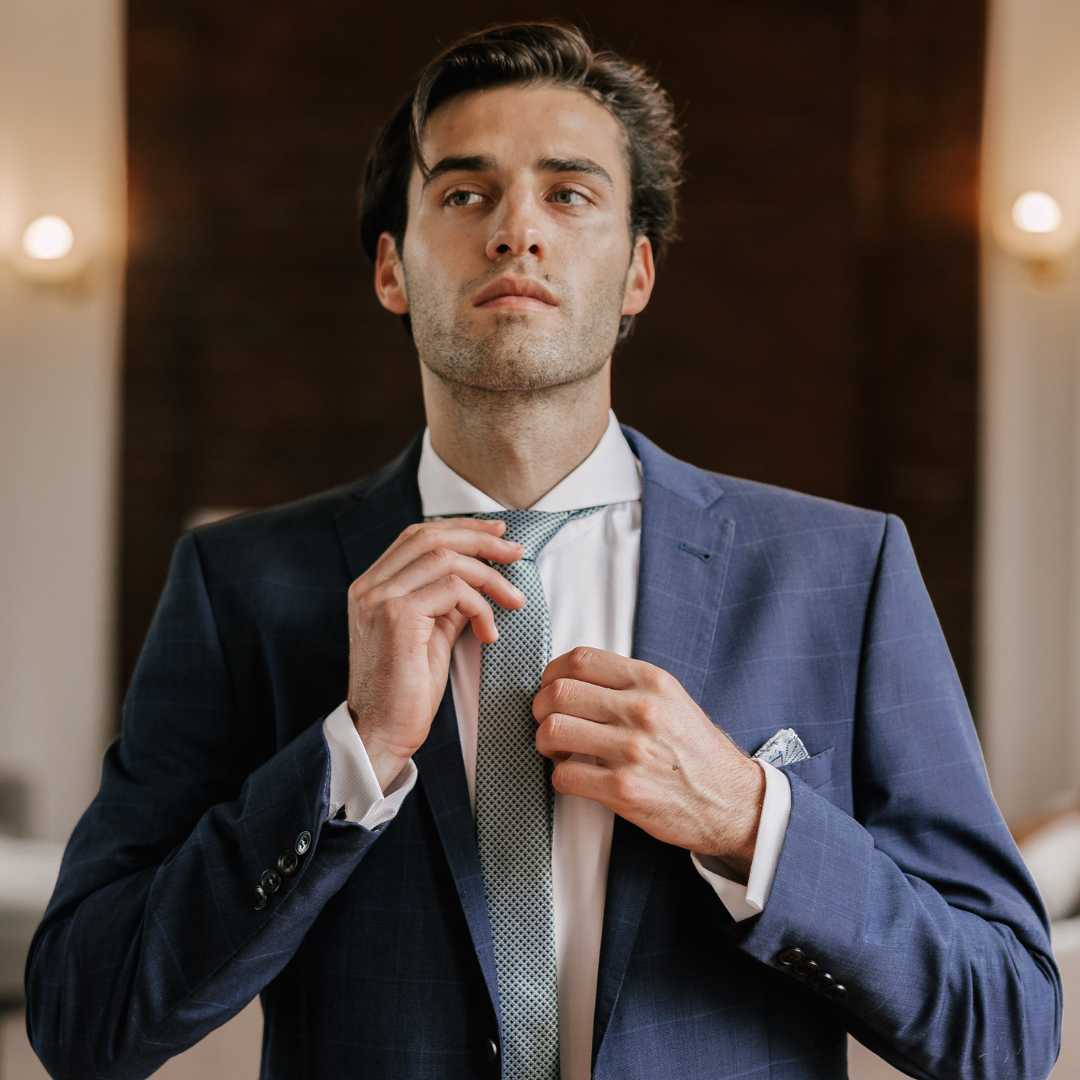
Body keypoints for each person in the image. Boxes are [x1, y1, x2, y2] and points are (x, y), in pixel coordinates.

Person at [24, 19, 1061, 1080]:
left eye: (570, 194)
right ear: (392, 268)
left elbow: (1008, 1026)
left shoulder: (844, 574)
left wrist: (753, 821)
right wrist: (349, 757)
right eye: (465, 194)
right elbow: (84, 1018)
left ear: (636, 275)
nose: (517, 230)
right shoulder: (239, 588)